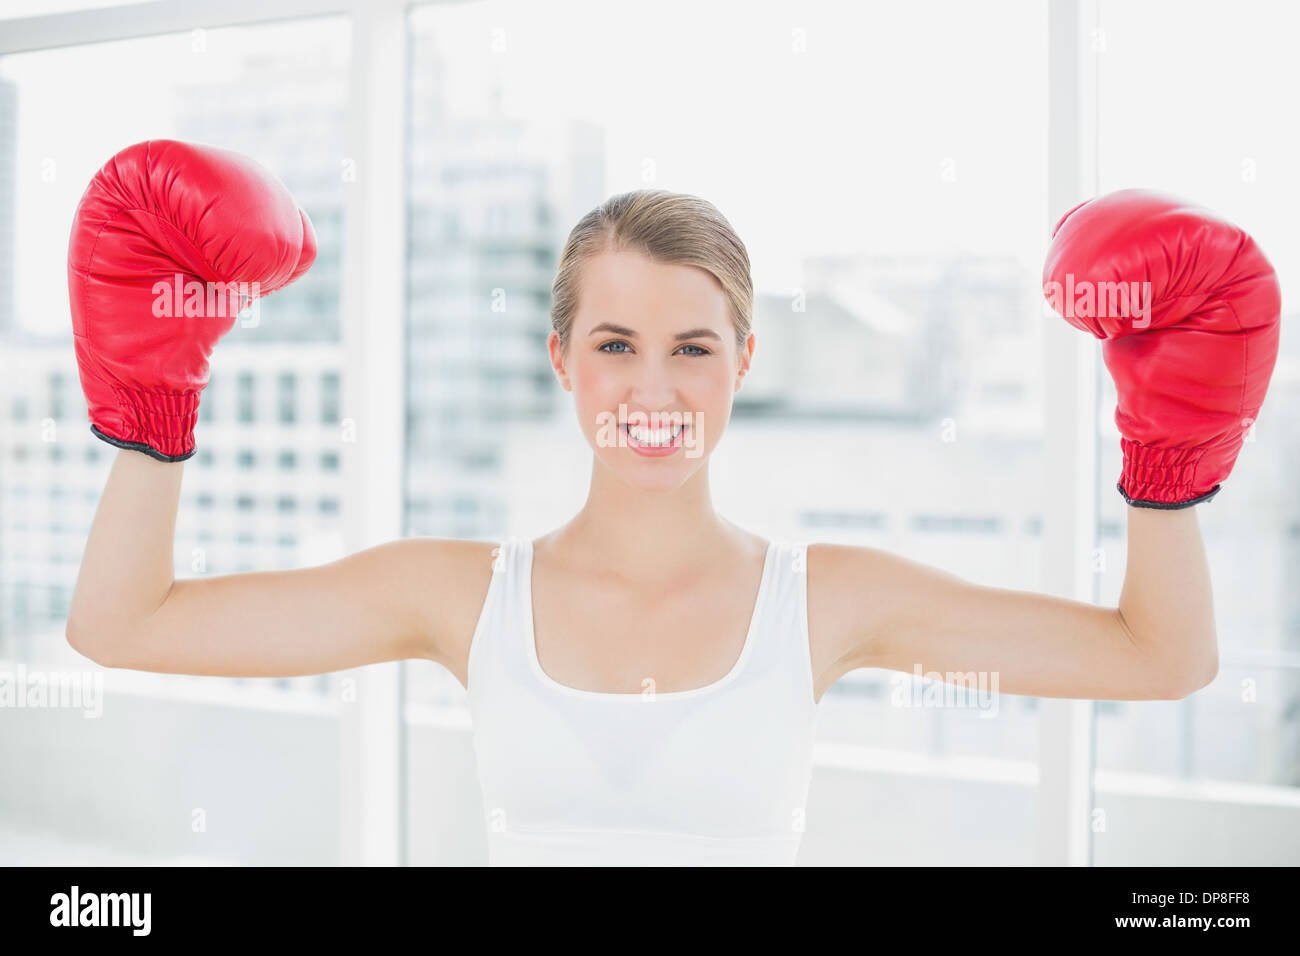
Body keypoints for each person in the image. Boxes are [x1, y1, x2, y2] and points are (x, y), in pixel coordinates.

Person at [65, 140, 1282, 866]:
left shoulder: (828, 599)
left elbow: (1162, 656)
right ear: (562, 360)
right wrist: (155, 400)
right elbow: (124, 624)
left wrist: (1165, 454)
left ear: (744, 362)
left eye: (693, 347)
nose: (653, 388)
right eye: (614, 343)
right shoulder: (459, 593)